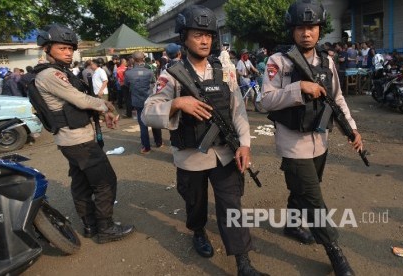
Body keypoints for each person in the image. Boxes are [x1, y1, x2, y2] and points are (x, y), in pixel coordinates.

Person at [142, 5, 267, 276]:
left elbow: (238, 110)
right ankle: (198, 231)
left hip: (224, 152)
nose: (204, 40)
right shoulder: (172, 74)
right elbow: (147, 113)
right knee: (195, 203)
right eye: (198, 34)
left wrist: (244, 143)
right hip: (191, 157)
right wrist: (177, 103)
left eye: (208, 35)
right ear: (184, 37)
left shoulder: (224, 70)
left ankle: (243, 263)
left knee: (231, 205)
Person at [261, 1, 363, 275]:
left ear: (319, 30)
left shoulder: (327, 60)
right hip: (293, 144)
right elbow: (267, 100)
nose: (307, 33)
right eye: (301, 28)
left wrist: (351, 128)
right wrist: (298, 88)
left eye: (312, 27)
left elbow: (337, 98)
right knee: (314, 199)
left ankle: (293, 225)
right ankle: (335, 253)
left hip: (320, 141)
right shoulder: (278, 61)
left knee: (305, 188)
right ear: (292, 31)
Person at [34, 23, 134, 244]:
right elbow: (80, 100)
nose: (68, 53)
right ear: (47, 48)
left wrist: (99, 113)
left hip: (72, 139)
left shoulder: (61, 72)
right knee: (105, 181)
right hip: (78, 141)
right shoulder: (51, 74)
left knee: (80, 182)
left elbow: (76, 106)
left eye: (70, 48)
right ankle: (105, 228)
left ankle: (89, 225)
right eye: (62, 48)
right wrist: (105, 106)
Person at [124, 51, 162, 154]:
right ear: (143, 59)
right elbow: (154, 83)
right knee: (154, 121)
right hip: (150, 99)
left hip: (137, 100)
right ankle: (159, 142)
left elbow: (127, 85)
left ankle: (146, 147)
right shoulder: (149, 72)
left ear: (133, 59)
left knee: (143, 124)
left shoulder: (128, 73)